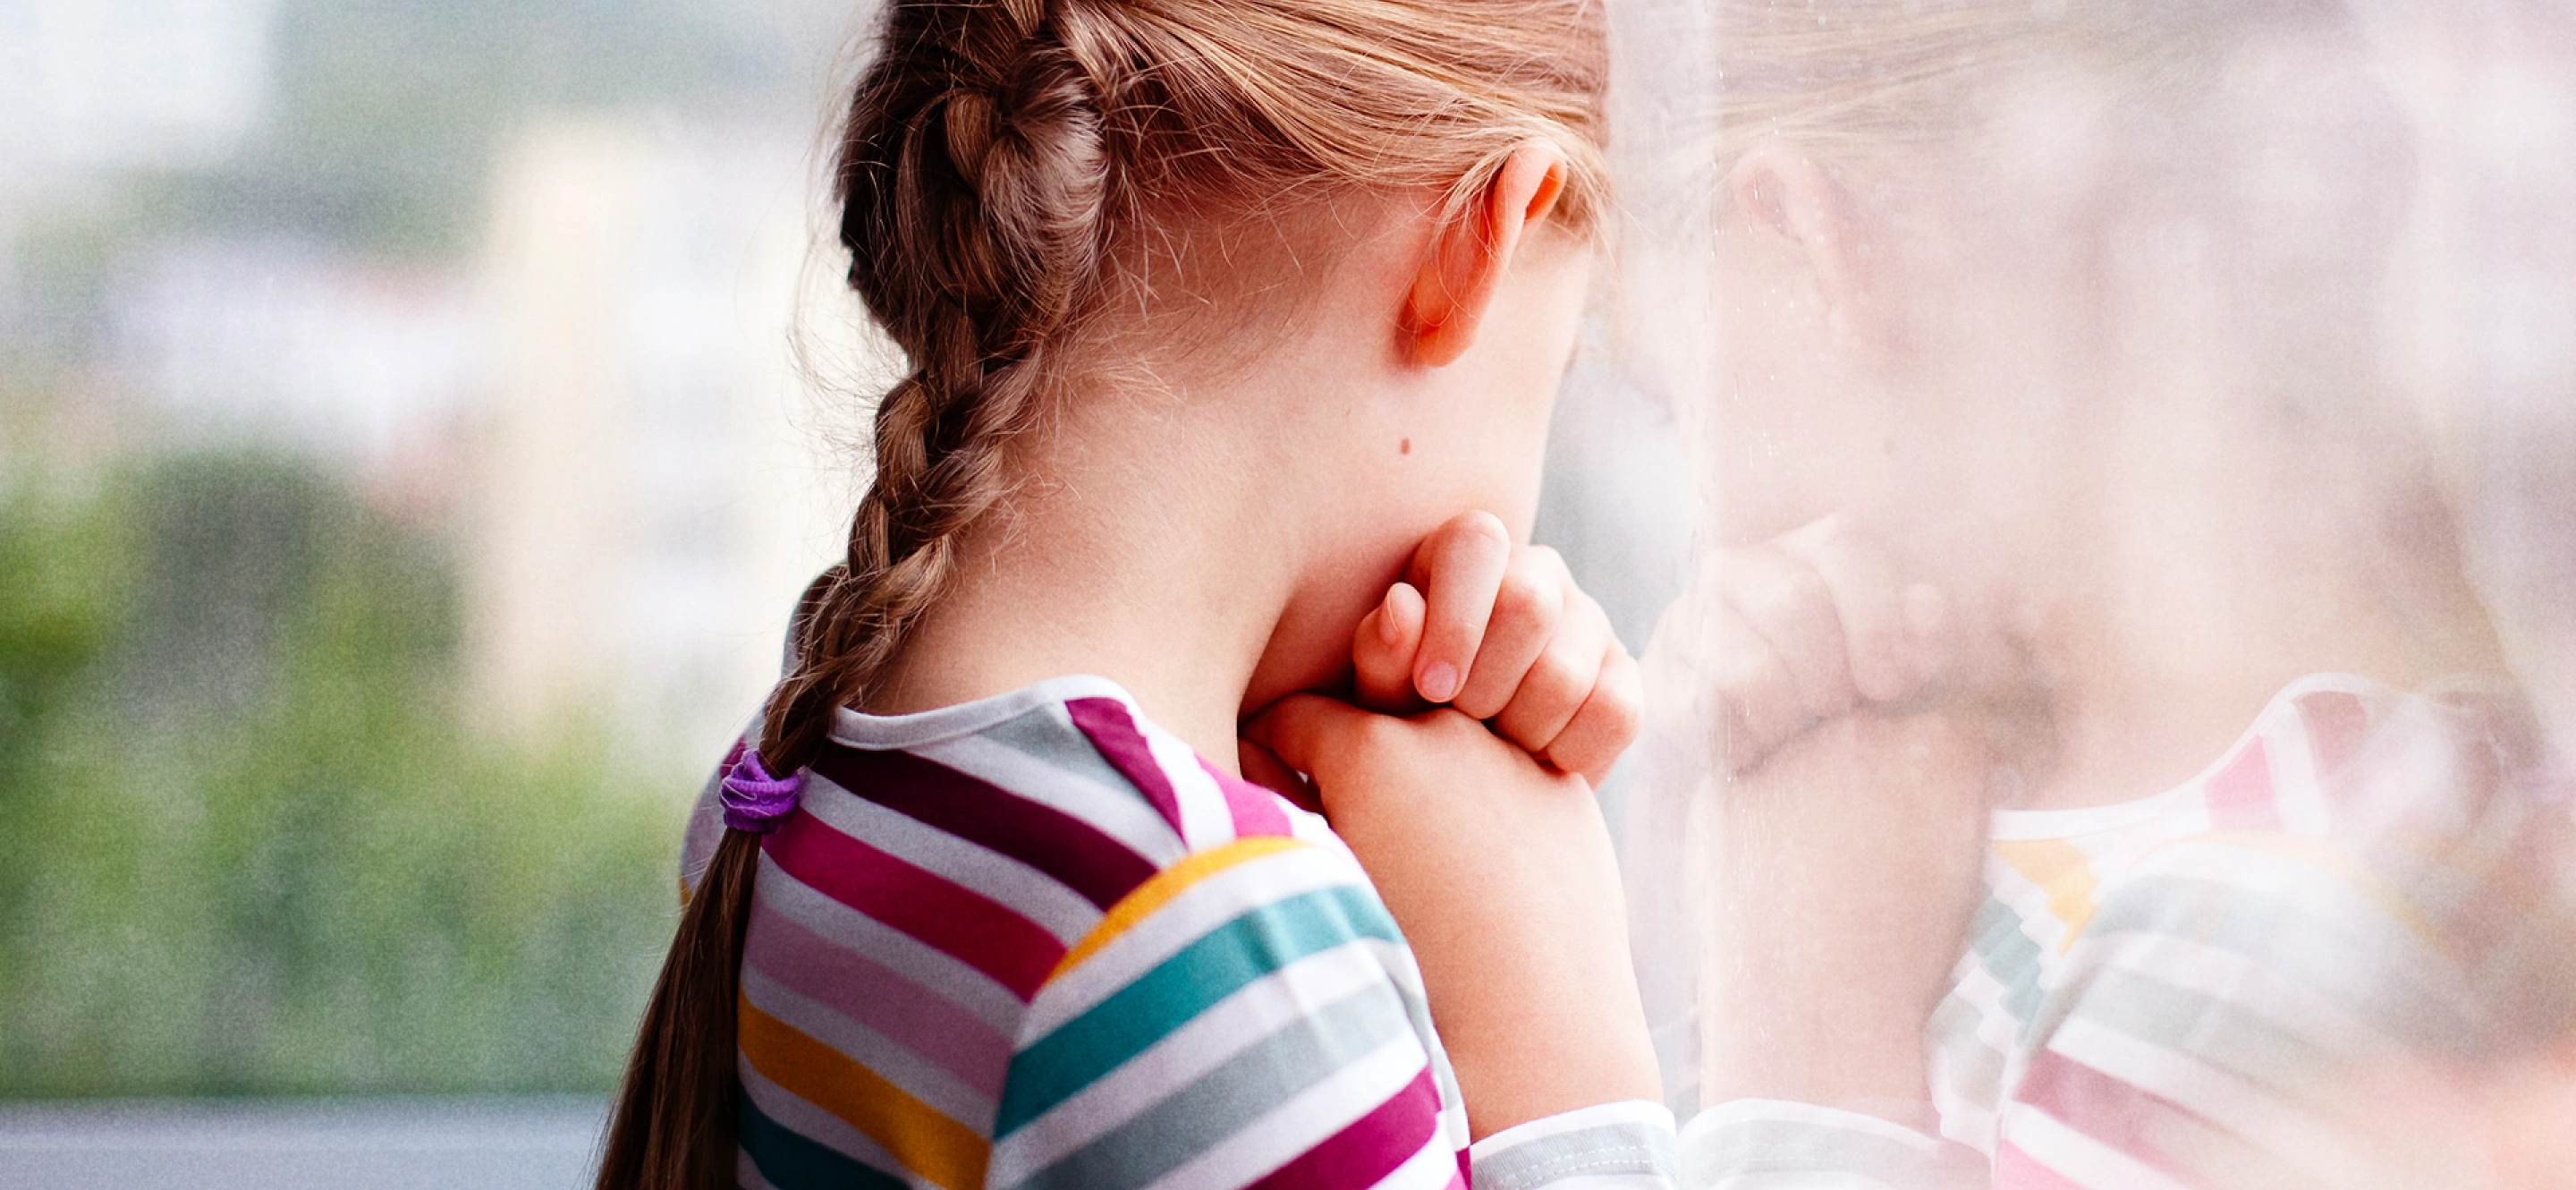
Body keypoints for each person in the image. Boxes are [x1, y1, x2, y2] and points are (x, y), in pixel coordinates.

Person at [589, 1, 1679, 1186]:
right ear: (1476, 245)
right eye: (1557, 367)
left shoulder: (811, 774)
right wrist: (1555, 1035)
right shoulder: (1196, 945)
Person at [1609, 0, 2576, 1186]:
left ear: (1816, 246)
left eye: (1674, 406)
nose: (1704, 518)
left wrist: (1808, 1062)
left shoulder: (2215, 967)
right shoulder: (2397, 793)